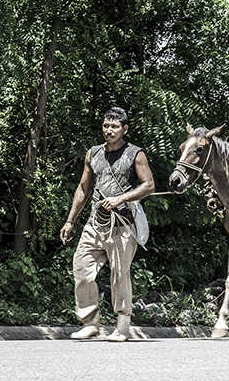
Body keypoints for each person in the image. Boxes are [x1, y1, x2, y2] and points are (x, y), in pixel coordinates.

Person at [60, 107, 155, 342]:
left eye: (114, 126)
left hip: (123, 224)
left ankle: (122, 324)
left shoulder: (135, 154)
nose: (109, 130)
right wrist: (70, 220)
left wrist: (120, 198)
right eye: (106, 125)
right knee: (81, 267)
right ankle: (90, 322)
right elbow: (83, 188)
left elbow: (149, 186)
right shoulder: (93, 153)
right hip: (95, 223)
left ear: (124, 129)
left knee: (120, 275)